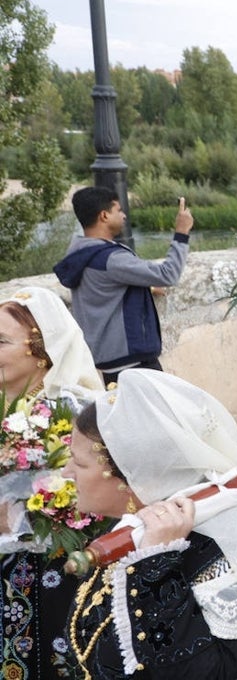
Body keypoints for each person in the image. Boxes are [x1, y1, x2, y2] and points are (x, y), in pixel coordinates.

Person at [61, 370, 237, 678]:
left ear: (132, 477)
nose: (65, 473)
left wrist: (157, 565)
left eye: (79, 462)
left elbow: (211, 674)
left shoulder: (229, 548)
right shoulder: (130, 527)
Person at [0, 287, 104, 680]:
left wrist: (17, 517)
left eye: (1, 341)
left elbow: (90, 502)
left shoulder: (75, 413)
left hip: (55, 577)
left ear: (41, 350)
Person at [53, 187, 193, 385]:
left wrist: (148, 288)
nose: (124, 215)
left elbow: (101, 287)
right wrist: (182, 233)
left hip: (109, 358)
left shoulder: (81, 252)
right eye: (118, 210)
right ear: (104, 216)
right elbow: (168, 274)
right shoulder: (111, 259)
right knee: (158, 413)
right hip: (131, 361)